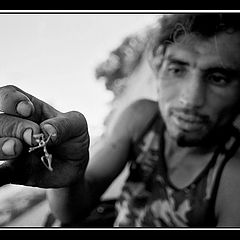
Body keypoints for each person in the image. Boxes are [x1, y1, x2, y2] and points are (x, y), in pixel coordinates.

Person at [1, 13, 240, 227]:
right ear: (159, 68)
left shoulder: (233, 178)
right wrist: (65, 175)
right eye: (177, 69)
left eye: (218, 77)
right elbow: (71, 211)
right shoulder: (141, 119)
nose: (190, 99)